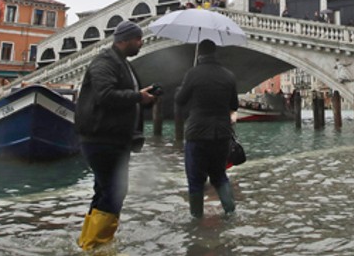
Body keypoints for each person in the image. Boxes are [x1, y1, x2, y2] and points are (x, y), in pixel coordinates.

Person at [74, 21, 158, 250]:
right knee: (114, 191)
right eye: (138, 39)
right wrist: (138, 97)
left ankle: (88, 244)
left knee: (105, 190)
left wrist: (145, 98)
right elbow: (105, 95)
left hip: (115, 139)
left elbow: (125, 98)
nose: (141, 43)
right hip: (101, 139)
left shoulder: (122, 64)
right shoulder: (104, 62)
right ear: (124, 40)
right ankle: (97, 247)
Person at [174, 39, 239, 218]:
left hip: (197, 133)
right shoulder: (228, 76)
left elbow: (180, 100)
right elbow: (234, 104)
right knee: (219, 176)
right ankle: (231, 212)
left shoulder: (193, 74)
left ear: (199, 54)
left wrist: (182, 87)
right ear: (214, 53)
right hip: (221, 134)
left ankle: (196, 220)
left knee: (195, 181)